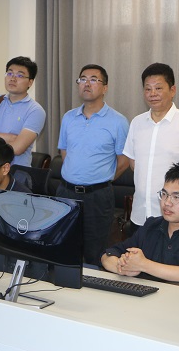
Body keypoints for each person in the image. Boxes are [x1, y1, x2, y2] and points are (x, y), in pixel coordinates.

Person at [56, 64, 129, 265]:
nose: (87, 83)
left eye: (94, 79)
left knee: (95, 252)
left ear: (105, 87)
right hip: (66, 192)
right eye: (83, 79)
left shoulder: (118, 121)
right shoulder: (68, 117)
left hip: (98, 196)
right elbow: (64, 151)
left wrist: (99, 180)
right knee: (63, 246)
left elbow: (123, 161)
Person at [123, 63, 179, 236]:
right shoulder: (137, 123)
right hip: (139, 213)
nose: (152, 94)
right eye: (148, 89)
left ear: (173, 90)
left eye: (158, 88)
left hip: (174, 217)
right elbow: (133, 163)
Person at [100, 162, 179, 284]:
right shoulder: (151, 226)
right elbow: (107, 254)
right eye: (164, 194)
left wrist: (143, 265)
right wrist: (122, 267)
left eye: (176, 197)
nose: (167, 202)